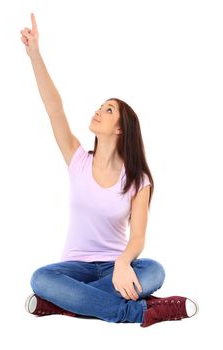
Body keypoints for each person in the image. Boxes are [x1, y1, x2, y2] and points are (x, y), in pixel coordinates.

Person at [20, 13, 199, 327]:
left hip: (116, 267)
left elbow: (138, 236)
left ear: (120, 130)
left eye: (109, 109)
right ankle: (140, 311)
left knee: (155, 270)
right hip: (73, 267)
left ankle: (66, 305)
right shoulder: (78, 160)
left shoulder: (138, 180)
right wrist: (35, 54)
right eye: (101, 106)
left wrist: (122, 263)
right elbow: (54, 107)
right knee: (41, 279)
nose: (99, 111)